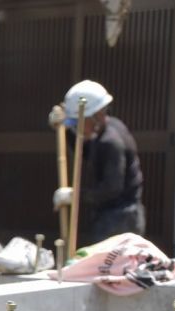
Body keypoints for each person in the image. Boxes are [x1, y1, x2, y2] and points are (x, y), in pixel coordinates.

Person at [52, 79, 145, 246]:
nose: (76, 128)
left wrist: (74, 195)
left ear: (95, 115)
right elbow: (87, 151)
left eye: (77, 122)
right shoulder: (107, 129)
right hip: (114, 215)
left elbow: (111, 189)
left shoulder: (111, 142)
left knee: (108, 269)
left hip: (120, 219)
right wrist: (63, 129)